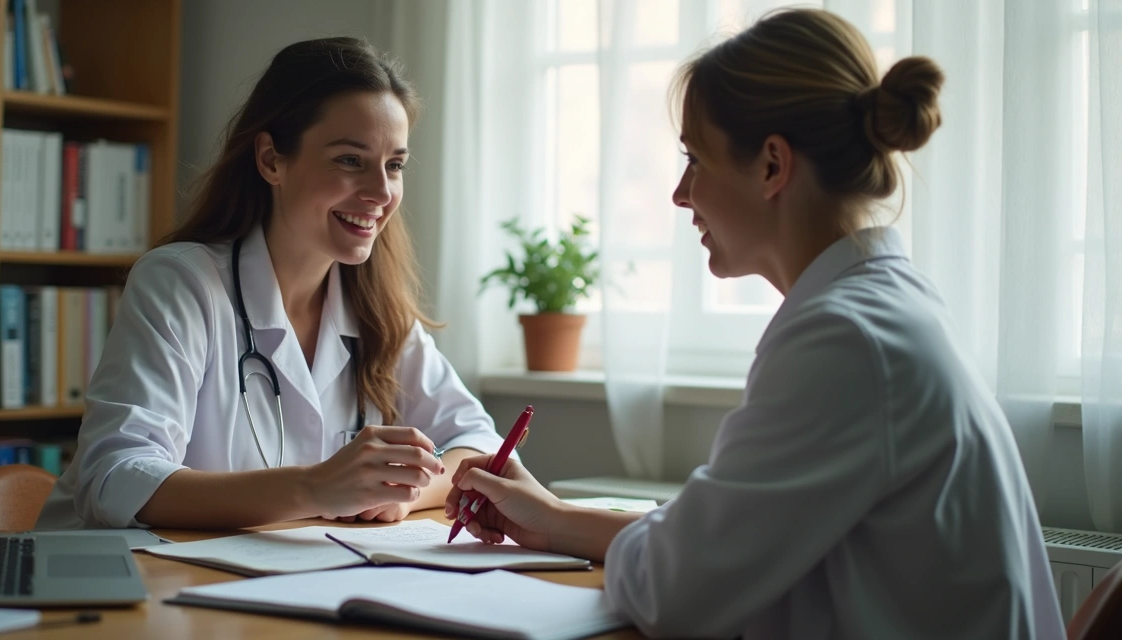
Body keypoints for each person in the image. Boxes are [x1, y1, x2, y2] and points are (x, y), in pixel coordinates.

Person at [445, 9, 1063, 639]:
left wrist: (600, 535)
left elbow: (678, 590)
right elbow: (712, 543)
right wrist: (552, 518)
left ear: (772, 165)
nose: (680, 194)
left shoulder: (844, 342)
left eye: (695, 159)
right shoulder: (887, 309)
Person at [37, 37, 507, 531]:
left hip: (282, 572)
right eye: (350, 160)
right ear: (271, 160)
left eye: (394, 166)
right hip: (119, 572)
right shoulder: (180, 283)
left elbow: (482, 447)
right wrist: (316, 488)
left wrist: (400, 494)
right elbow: (114, 477)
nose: (381, 192)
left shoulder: (377, 310)